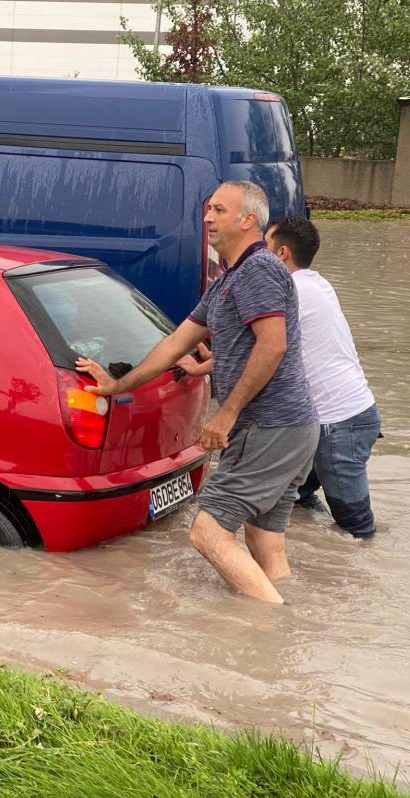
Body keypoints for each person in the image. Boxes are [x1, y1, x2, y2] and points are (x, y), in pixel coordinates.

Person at [75, 181, 318, 604]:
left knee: (207, 532)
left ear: (247, 221)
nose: (207, 217)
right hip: (291, 426)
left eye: (219, 210)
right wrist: (118, 385)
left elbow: (273, 344)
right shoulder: (228, 281)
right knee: (264, 540)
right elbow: (175, 344)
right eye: (208, 209)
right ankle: (283, 642)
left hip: (270, 425)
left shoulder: (258, 270)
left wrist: (226, 414)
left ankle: (266, 626)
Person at [266, 217, 380, 537]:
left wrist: (207, 364)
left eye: (265, 246)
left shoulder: (292, 290)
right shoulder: (317, 283)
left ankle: (361, 575)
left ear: (282, 253)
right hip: (344, 417)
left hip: (338, 423)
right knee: (295, 494)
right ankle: (315, 543)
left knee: (357, 528)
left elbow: (262, 349)